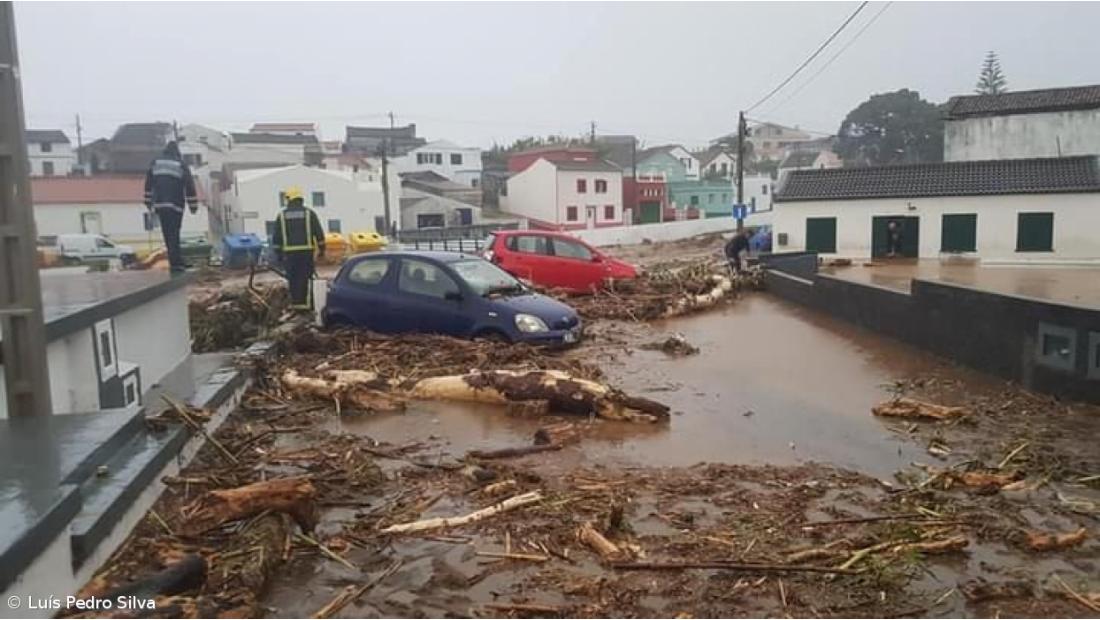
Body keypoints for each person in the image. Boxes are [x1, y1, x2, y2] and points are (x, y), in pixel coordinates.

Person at [143, 141, 198, 274]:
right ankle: (176, 263)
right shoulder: (180, 164)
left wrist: (148, 201)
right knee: (174, 234)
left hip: (160, 204)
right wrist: (193, 206)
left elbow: (148, 183)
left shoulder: (155, 163)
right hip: (175, 205)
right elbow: (189, 186)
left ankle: (175, 261)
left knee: (167, 234)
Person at [272, 186, 325, 311]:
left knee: (293, 278)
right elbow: (319, 233)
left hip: (289, 254)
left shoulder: (281, 216)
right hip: (306, 252)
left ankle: (295, 304)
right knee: (306, 277)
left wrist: (278, 254)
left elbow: (276, 237)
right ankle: (306, 305)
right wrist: (322, 249)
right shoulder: (309, 214)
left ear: (289, 199)